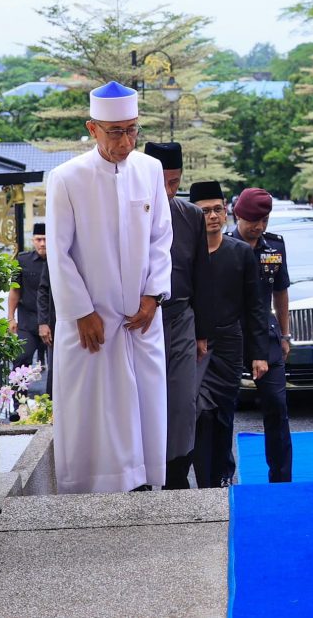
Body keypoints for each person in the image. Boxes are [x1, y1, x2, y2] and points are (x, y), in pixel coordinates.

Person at [46, 80, 172, 494]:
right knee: (94, 413)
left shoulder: (150, 170)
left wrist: (153, 296)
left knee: (144, 410)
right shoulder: (66, 178)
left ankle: (145, 486)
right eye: (116, 131)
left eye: (133, 129)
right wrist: (81, 311)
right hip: (91, 321)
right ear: (92, 128)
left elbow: (160, 239)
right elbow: (58, 253)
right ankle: (90, 491)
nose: (126, 140)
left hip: (140, 319)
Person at [189, 181, 268, 488]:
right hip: (195, 345)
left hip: (230, 342)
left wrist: (258, 353)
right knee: (200, 412)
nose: (212, 216)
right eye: (204, 210)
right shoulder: (184, 253)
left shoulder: (240, 253)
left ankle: (224, 472)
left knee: (223, 411)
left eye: (217, 209)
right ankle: (205, 478)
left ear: (226, 212)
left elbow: (255, 307)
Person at [144, 141, 212, 490]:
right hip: (139, 319)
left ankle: (176, 472)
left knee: (183, 400)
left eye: (175, 182)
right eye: (163, 182)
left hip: (181, 315)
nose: (169, 190)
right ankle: (140, 471)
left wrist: (202, 332)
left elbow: (201, 275)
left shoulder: (191, 216)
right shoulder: (131, 213)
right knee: (141, 398)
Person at [227, 187, 294, 483]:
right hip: (229, 334)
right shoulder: (222, 245)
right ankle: (223, 475)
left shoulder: (274, 247)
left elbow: (280, 292)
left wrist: (285, 334)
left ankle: (281, 478)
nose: (259, 227)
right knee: (223, 409)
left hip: (266, 335)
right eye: (254, 220)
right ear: (238, 215)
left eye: (265, 220)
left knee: (277, 407)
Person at [9, 223, 48, 371]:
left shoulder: (59, 261)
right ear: (32, 240)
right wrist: (11, 317)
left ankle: (53, 395)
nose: (42, 244)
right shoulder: (22, 260)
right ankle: (19, 394)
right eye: (38, 239)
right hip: (28, 322)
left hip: (52, 321)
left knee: (58, 367)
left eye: (45, 239)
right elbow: (15, 291)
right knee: (21, 359)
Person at [37, 253, 56, 397]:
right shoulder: (54, 257)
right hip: (58, 322)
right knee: (55, 368)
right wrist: (43, 322)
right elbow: (43, 290)